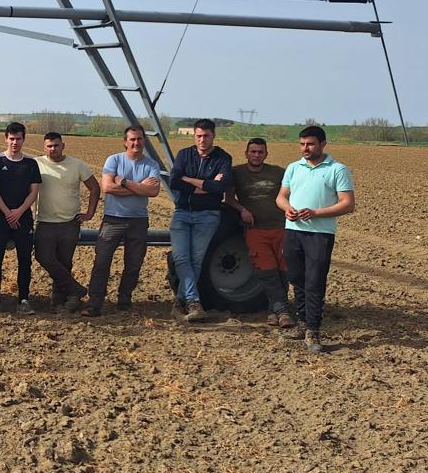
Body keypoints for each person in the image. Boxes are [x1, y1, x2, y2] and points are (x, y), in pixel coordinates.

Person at [275, 126, 355, 354]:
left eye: (309, 144)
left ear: (322, 144)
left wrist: (316, 213)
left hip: (320, 234)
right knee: (297, 279)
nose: (305, 149)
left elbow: (348, 203)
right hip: (293, 231)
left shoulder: (337, 169)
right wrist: (287, 208)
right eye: (302, 144)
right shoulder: (293, 167)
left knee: (314, 281)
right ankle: (302, 323)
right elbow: (281, 196)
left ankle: (313, 329)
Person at [84, 126, 162, 316]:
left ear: (144, 141)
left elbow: (153, 191)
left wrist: (125, 182)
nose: (136, 143)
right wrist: (139, 187)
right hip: (113, 219)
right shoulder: (114, 160)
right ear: (125, 141)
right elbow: (108, 188)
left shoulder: (151, 164)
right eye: (132, 139)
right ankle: (95, 302)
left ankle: (124, 300)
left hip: (138, 220)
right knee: (102, 261)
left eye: (140, 139)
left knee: (134, 263)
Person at [168, 119, 232, 322]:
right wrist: (206, 185)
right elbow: (174, 181)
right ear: (194, 136)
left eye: (206, 136)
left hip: (208, 215)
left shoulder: (223, 158)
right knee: (181, 258)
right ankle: (194, 302)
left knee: (196, 259)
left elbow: (219, 189)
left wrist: (190, 180)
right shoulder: (184, 155)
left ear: (213, 136)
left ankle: (181, 303)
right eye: (198, 136)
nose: (202, 140)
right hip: (182, 212)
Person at [225, 137, 293, 328]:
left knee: (283, 271)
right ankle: (283, 311)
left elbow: (289, 193)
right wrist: (242, 210)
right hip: (256, 230)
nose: (256, 155)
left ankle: (274, 311)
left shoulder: (278, 172)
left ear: (266, 154)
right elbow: (229, 198)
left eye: (260, 152)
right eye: (253, 152)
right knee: (267, 271)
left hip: (280, 227)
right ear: (246, 153)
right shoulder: (237, 172)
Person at [33, 132, 100, 312]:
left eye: (56, 145)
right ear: (44, 147)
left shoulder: (77, 165)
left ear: (63, 146)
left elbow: (94, 188)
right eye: (49, 146)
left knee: (64, 262)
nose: (53, 149)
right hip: (45, 221)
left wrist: (90, 213)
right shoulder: (36, 164)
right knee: (43, 256)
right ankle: (76, 290)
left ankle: (59, 301)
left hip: (69, 222)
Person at [0, 122, 42, 315]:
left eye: (18, 139)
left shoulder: (31, 164)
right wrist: (8, 212)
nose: (15, 142)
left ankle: (24, 299)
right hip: (0, 218)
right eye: (11, 138)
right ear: (6, 139)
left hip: (23, 218)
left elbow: (33, 192)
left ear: (23, 139)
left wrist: (18, 211)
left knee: (25, 259)